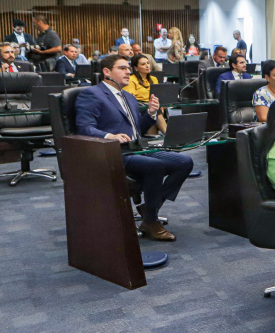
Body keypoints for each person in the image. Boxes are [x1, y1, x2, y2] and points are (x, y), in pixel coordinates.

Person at [75, 55, 192, 241]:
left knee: (185, 162)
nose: (128, 72)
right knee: (155, 166)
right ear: (107, 72)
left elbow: (138, 130)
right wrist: (109, 136)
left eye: (129, 68)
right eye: (122, 68)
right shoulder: (92, 94)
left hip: (138, 148)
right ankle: (151, 221)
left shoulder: (128, 97)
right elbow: (84, 127)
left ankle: (150, 208)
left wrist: (151, 114)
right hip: (115, 152)